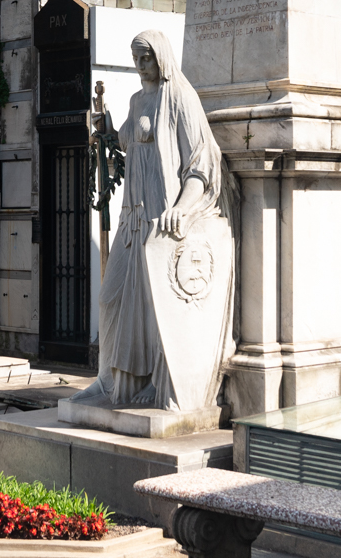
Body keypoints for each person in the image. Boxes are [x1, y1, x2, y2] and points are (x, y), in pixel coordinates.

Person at [73, 31, 234, 413]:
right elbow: (126, 142)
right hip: (133, 216)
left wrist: (183, 206)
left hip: (161, 215)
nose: (140, 66)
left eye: (145, 58)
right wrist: (106, 127)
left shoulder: (179, 97)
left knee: (157, 305)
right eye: (136, 59)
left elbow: (201, 163)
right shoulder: (136, 99)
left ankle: (155, 383)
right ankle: (111, 382)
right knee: (111, 299)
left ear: (160, 58)